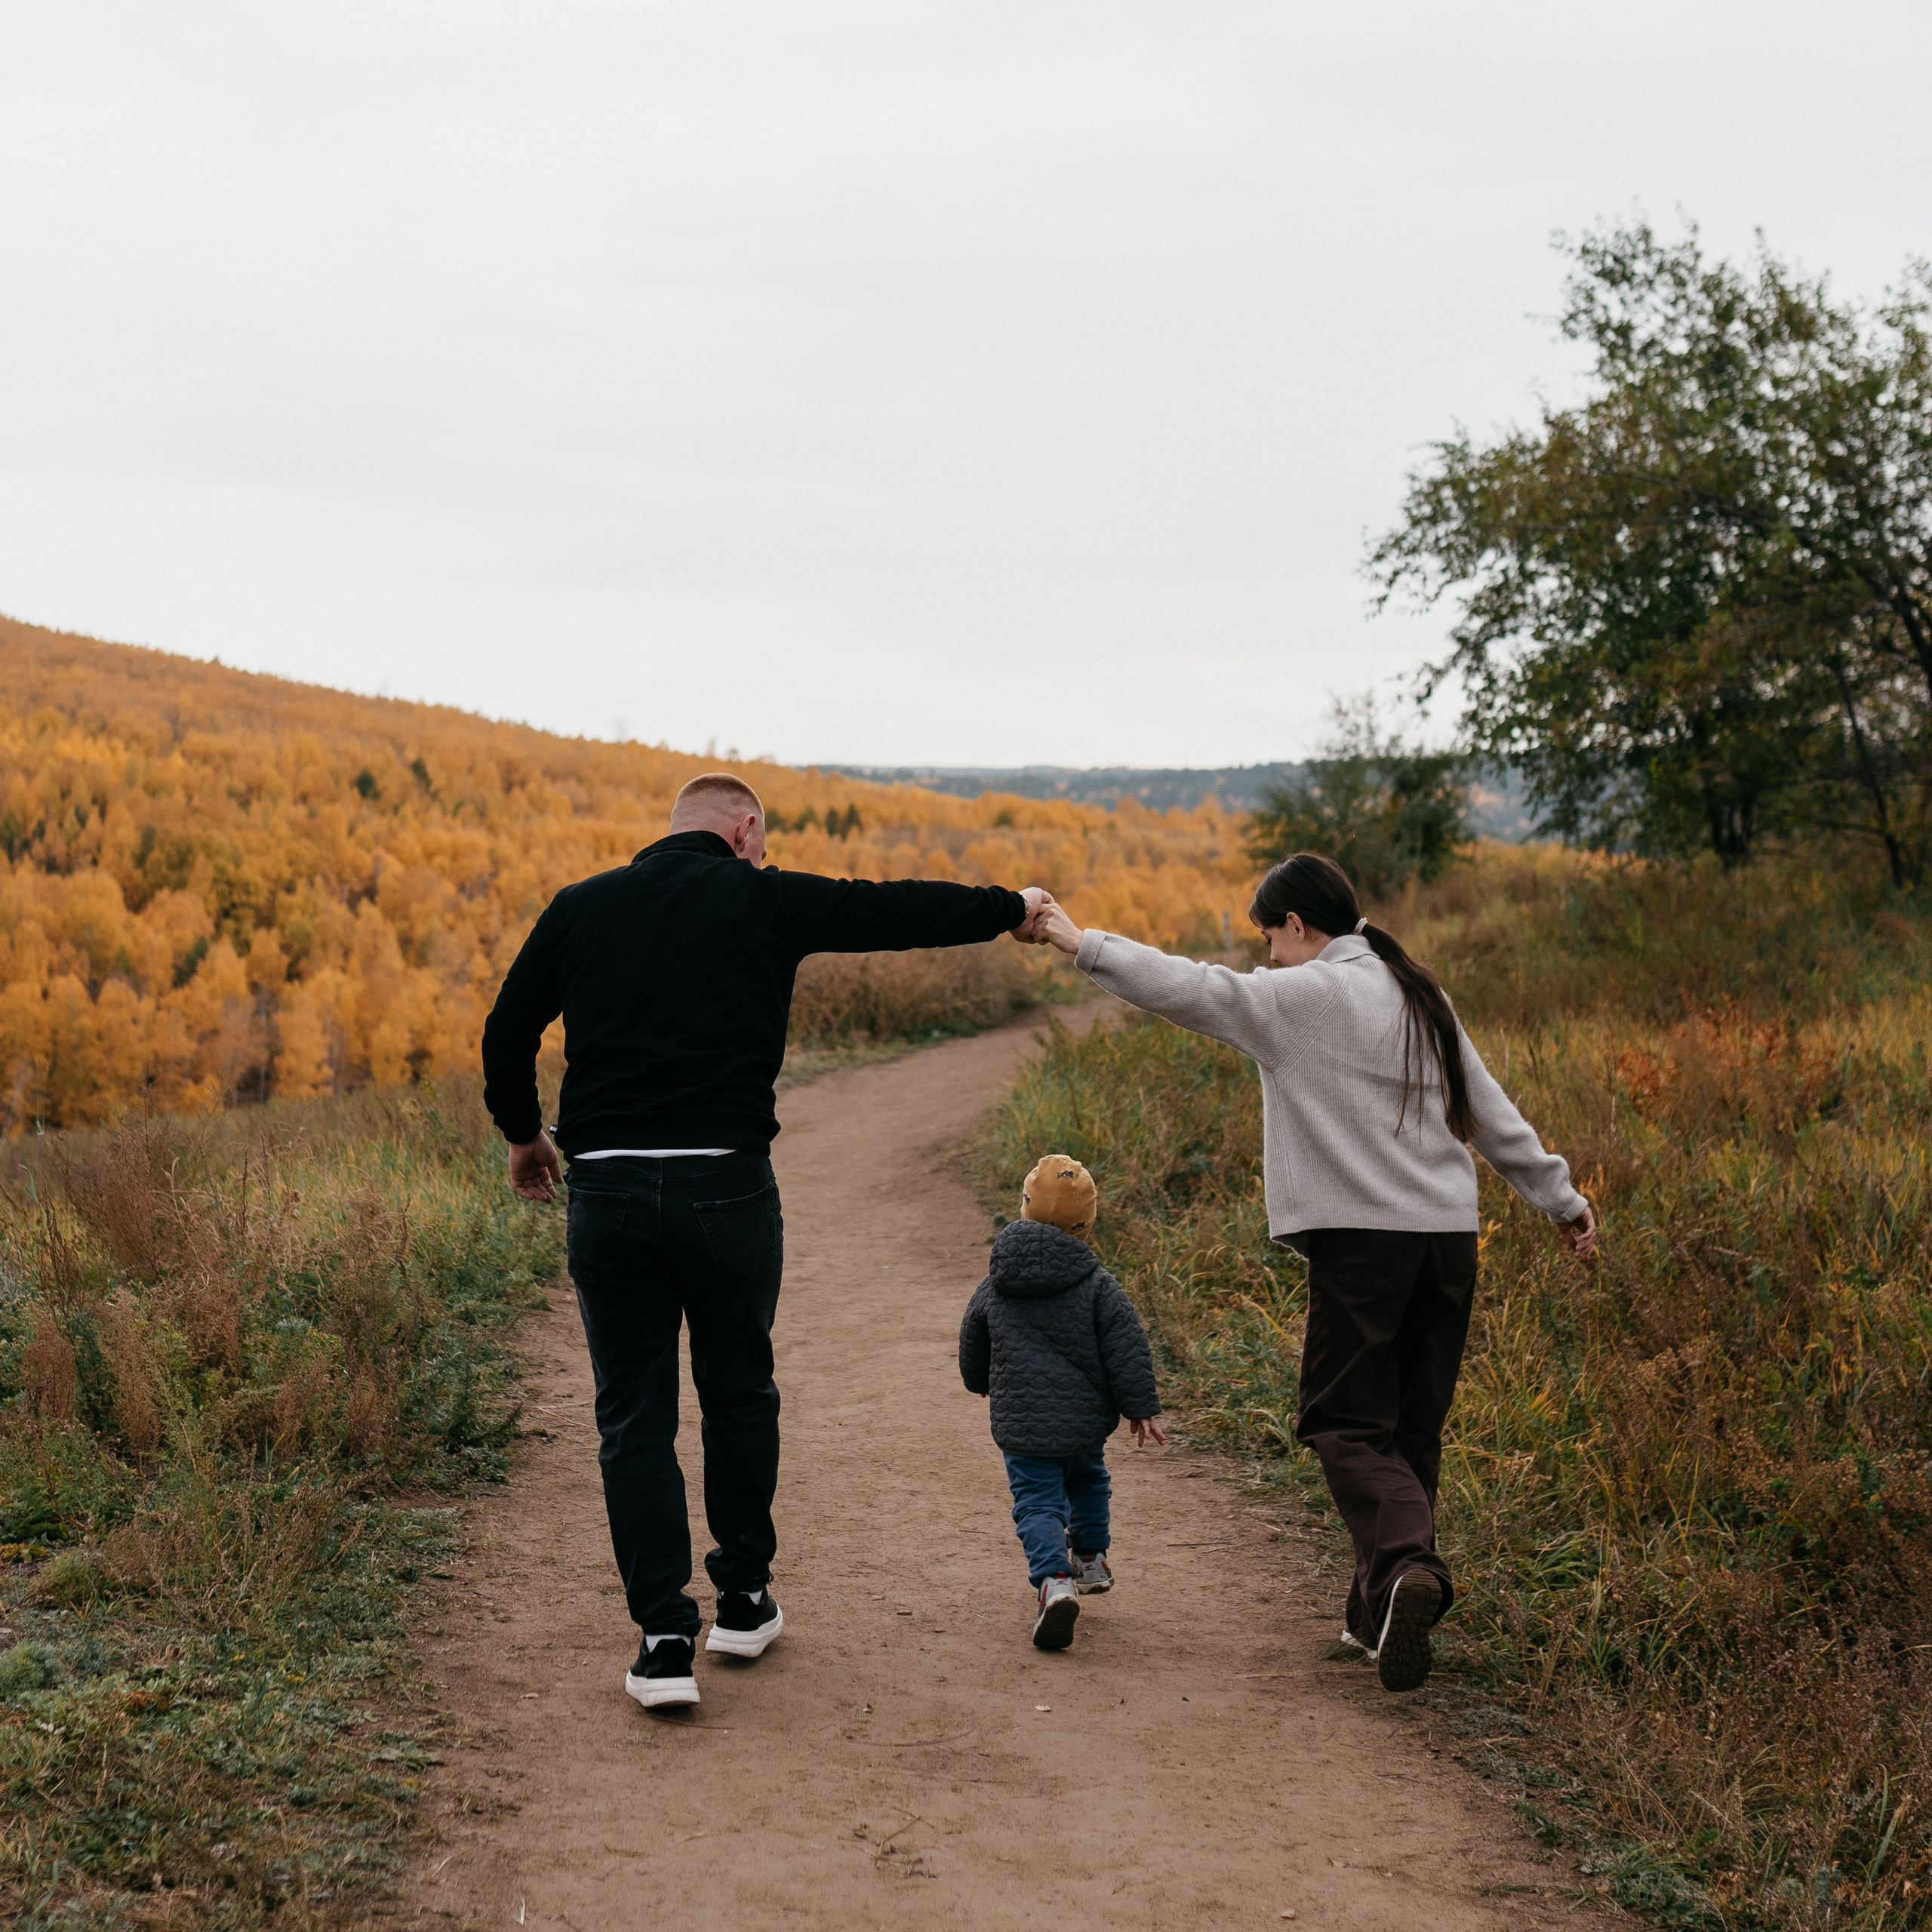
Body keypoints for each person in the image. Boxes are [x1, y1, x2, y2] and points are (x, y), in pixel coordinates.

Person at [481, 772, 1051, 1710]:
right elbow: (888, 910)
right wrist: (1009, 909)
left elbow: (508, 1028)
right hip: (726, 1182)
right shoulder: (764, 894)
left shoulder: (580, 908)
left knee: (633, 1415)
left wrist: (522, 1132)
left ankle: (664, 1640)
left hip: (612, 1185)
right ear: (744, 831)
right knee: (739, 1388)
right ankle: (743, 1599)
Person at [1024, 853, 1596, 1693]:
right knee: (1406, 1433)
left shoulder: (1309, 995)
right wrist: (1561, 1198)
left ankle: (1410, 1567)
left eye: (1271, 939)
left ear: (1299, 926)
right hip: (1446, 1240)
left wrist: (1078, 941)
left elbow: (1193, 987)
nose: (1266, 960)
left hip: (1366, 1246)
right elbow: (1485, 1105)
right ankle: (1376, 1616)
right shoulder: (1418, 990)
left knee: (1340, 1425)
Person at [958, 1152, 1167, 1651]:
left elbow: (972, 1338)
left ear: (1025, 1209)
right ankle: (1091, 1559)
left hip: (1023, 1425)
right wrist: (1140, 1407)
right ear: (1086, 1223)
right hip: (1082, 1424)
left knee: (1037, 1501)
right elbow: (1127, 1346)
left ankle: (1054, 1581)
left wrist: (977, 1381)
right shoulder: (1097, 1286)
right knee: (1089, 1481)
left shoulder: (996, 1282)